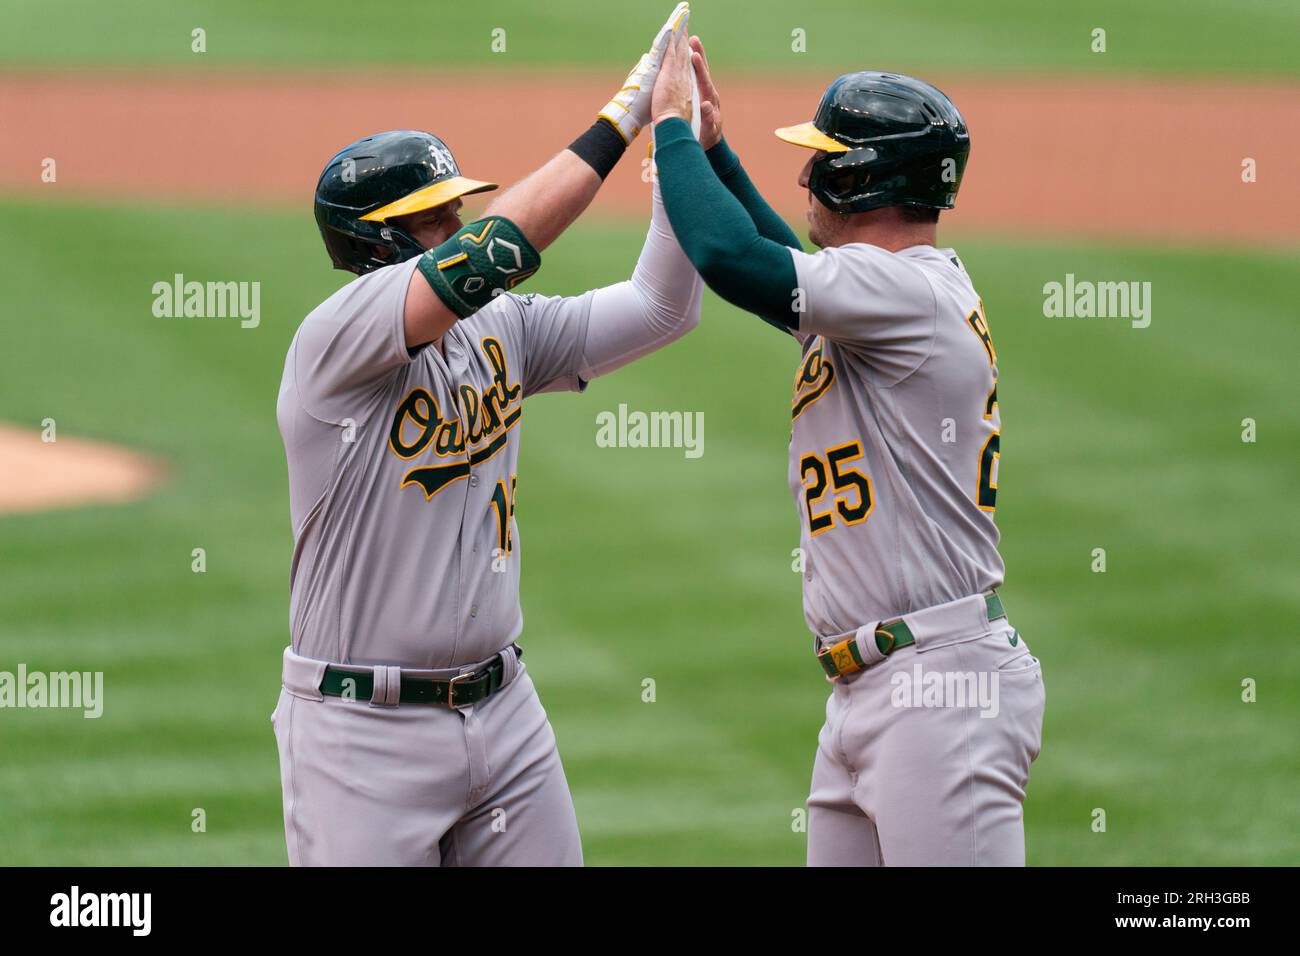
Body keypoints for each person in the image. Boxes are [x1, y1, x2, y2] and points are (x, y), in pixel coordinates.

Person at [272, 4, 702, 866]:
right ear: (379, 239)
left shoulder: (494, 327)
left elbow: (662, 307)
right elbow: (500, 249)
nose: (459, 227)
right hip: (363, 735)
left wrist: (683, 156)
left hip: (505, 715)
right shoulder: (338, 338)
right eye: (437, 220)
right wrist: (624, 116)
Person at [650, 30, 1045, 865]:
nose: (804, 175)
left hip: (938, 690)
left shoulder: (900, 291)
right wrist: (717, 155)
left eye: (822, 157)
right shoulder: (890, 293)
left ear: (863, 175)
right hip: (876, 688)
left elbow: (732, 259)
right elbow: (781, 270)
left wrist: (672, 133)